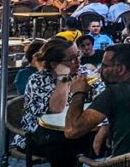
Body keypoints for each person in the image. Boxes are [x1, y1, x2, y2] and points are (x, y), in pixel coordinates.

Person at [65, 43, 130, 160]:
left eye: (104, 66)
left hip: (129, 163)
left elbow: (71, 131)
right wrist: (107, 126)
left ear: (120, 69)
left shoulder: (113, 93)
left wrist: (79, 93)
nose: (100, 70)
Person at [17, 37, 101, 167]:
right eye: (72, 59)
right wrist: (62, 78)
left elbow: (101, 91)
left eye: (78, 55)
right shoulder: (38, 80)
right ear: (54, 64)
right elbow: (56, 110)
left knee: (102, 139)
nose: (78, 61)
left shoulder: (81, 73)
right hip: (40, 134)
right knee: (64, 148)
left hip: (74, 129)